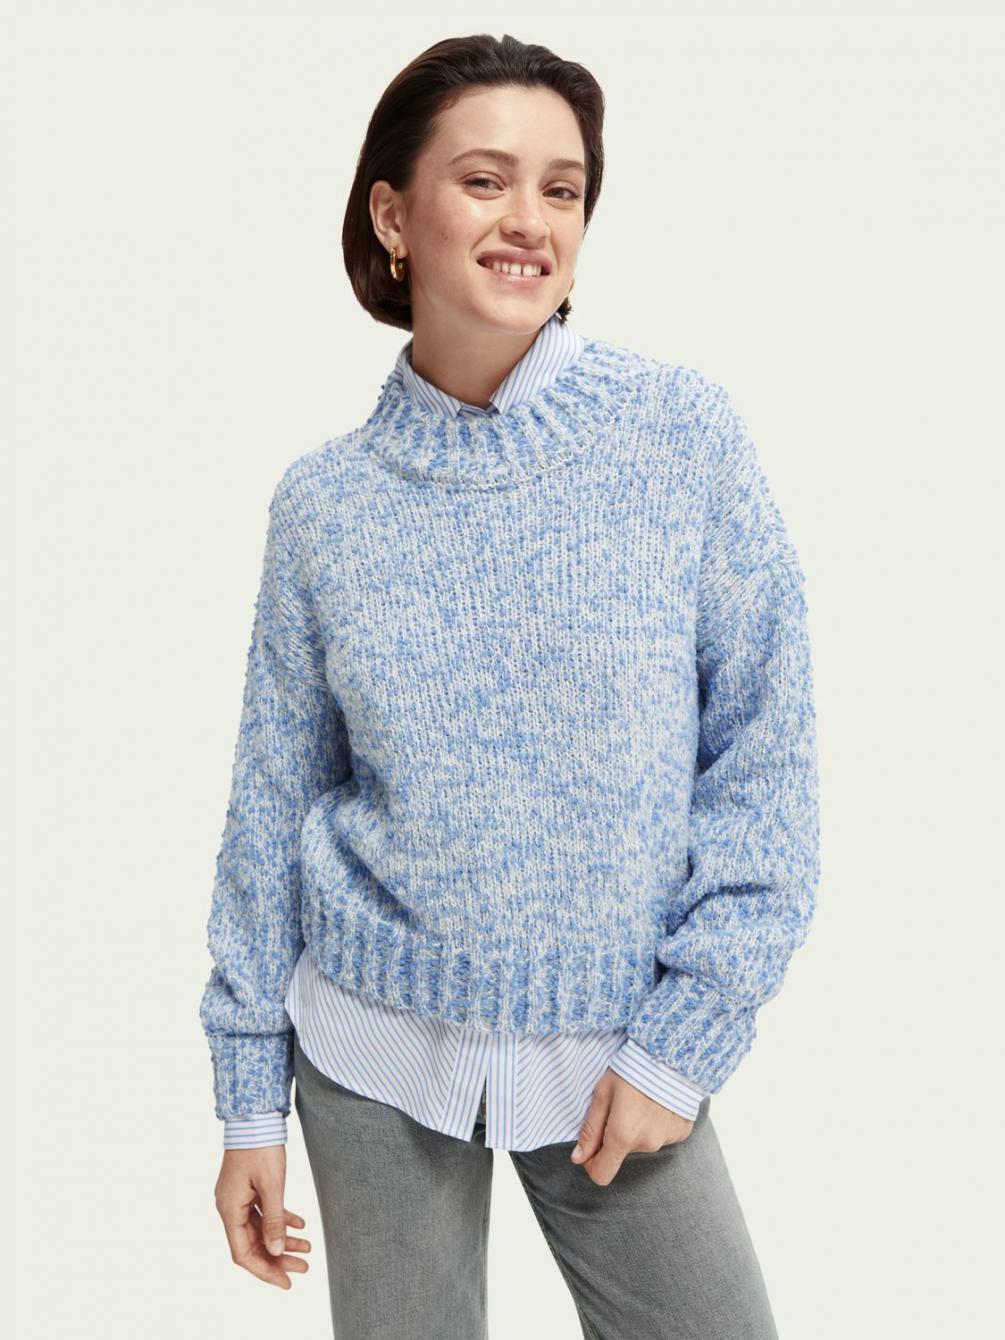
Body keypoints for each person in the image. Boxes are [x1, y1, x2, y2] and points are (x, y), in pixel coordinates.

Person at [198, 32, 820, 1340]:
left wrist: (684, 1039)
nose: (529, 219)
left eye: (562, 188)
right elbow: (270, 809)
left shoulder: (680, 438)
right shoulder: (324, 507)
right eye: (484, 180)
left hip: (621, 1051)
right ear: (392, 217)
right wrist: (249, 1102)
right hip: (370, 1053)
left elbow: (763, 765)